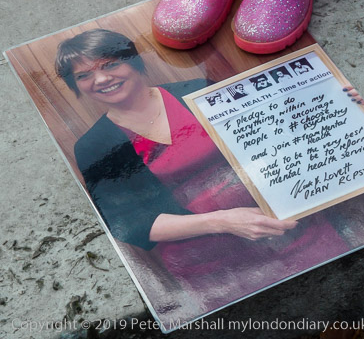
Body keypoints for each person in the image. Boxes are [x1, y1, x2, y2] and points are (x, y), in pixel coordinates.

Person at [55, 28, 349, 299]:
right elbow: (129, 224)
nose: (101, 79)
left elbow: (280, 133)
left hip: (286, 225)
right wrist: (224, 222)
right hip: (211, 262)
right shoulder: (94, 145)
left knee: (341, 293)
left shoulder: (199, 90)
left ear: (132, 62)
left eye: (109, 65)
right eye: (84, 76)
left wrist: (341, 105)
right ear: (76, 86)